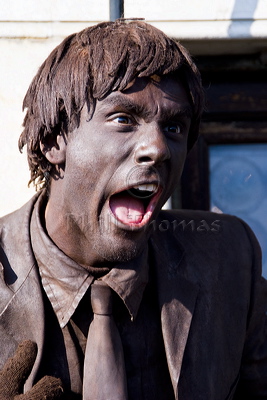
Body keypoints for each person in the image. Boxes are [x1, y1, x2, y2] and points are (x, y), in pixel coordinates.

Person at [0, 19, 267, 400]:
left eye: (174, 127)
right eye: (124, 119)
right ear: (51, 142)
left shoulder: (228, 259)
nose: (157, 148)